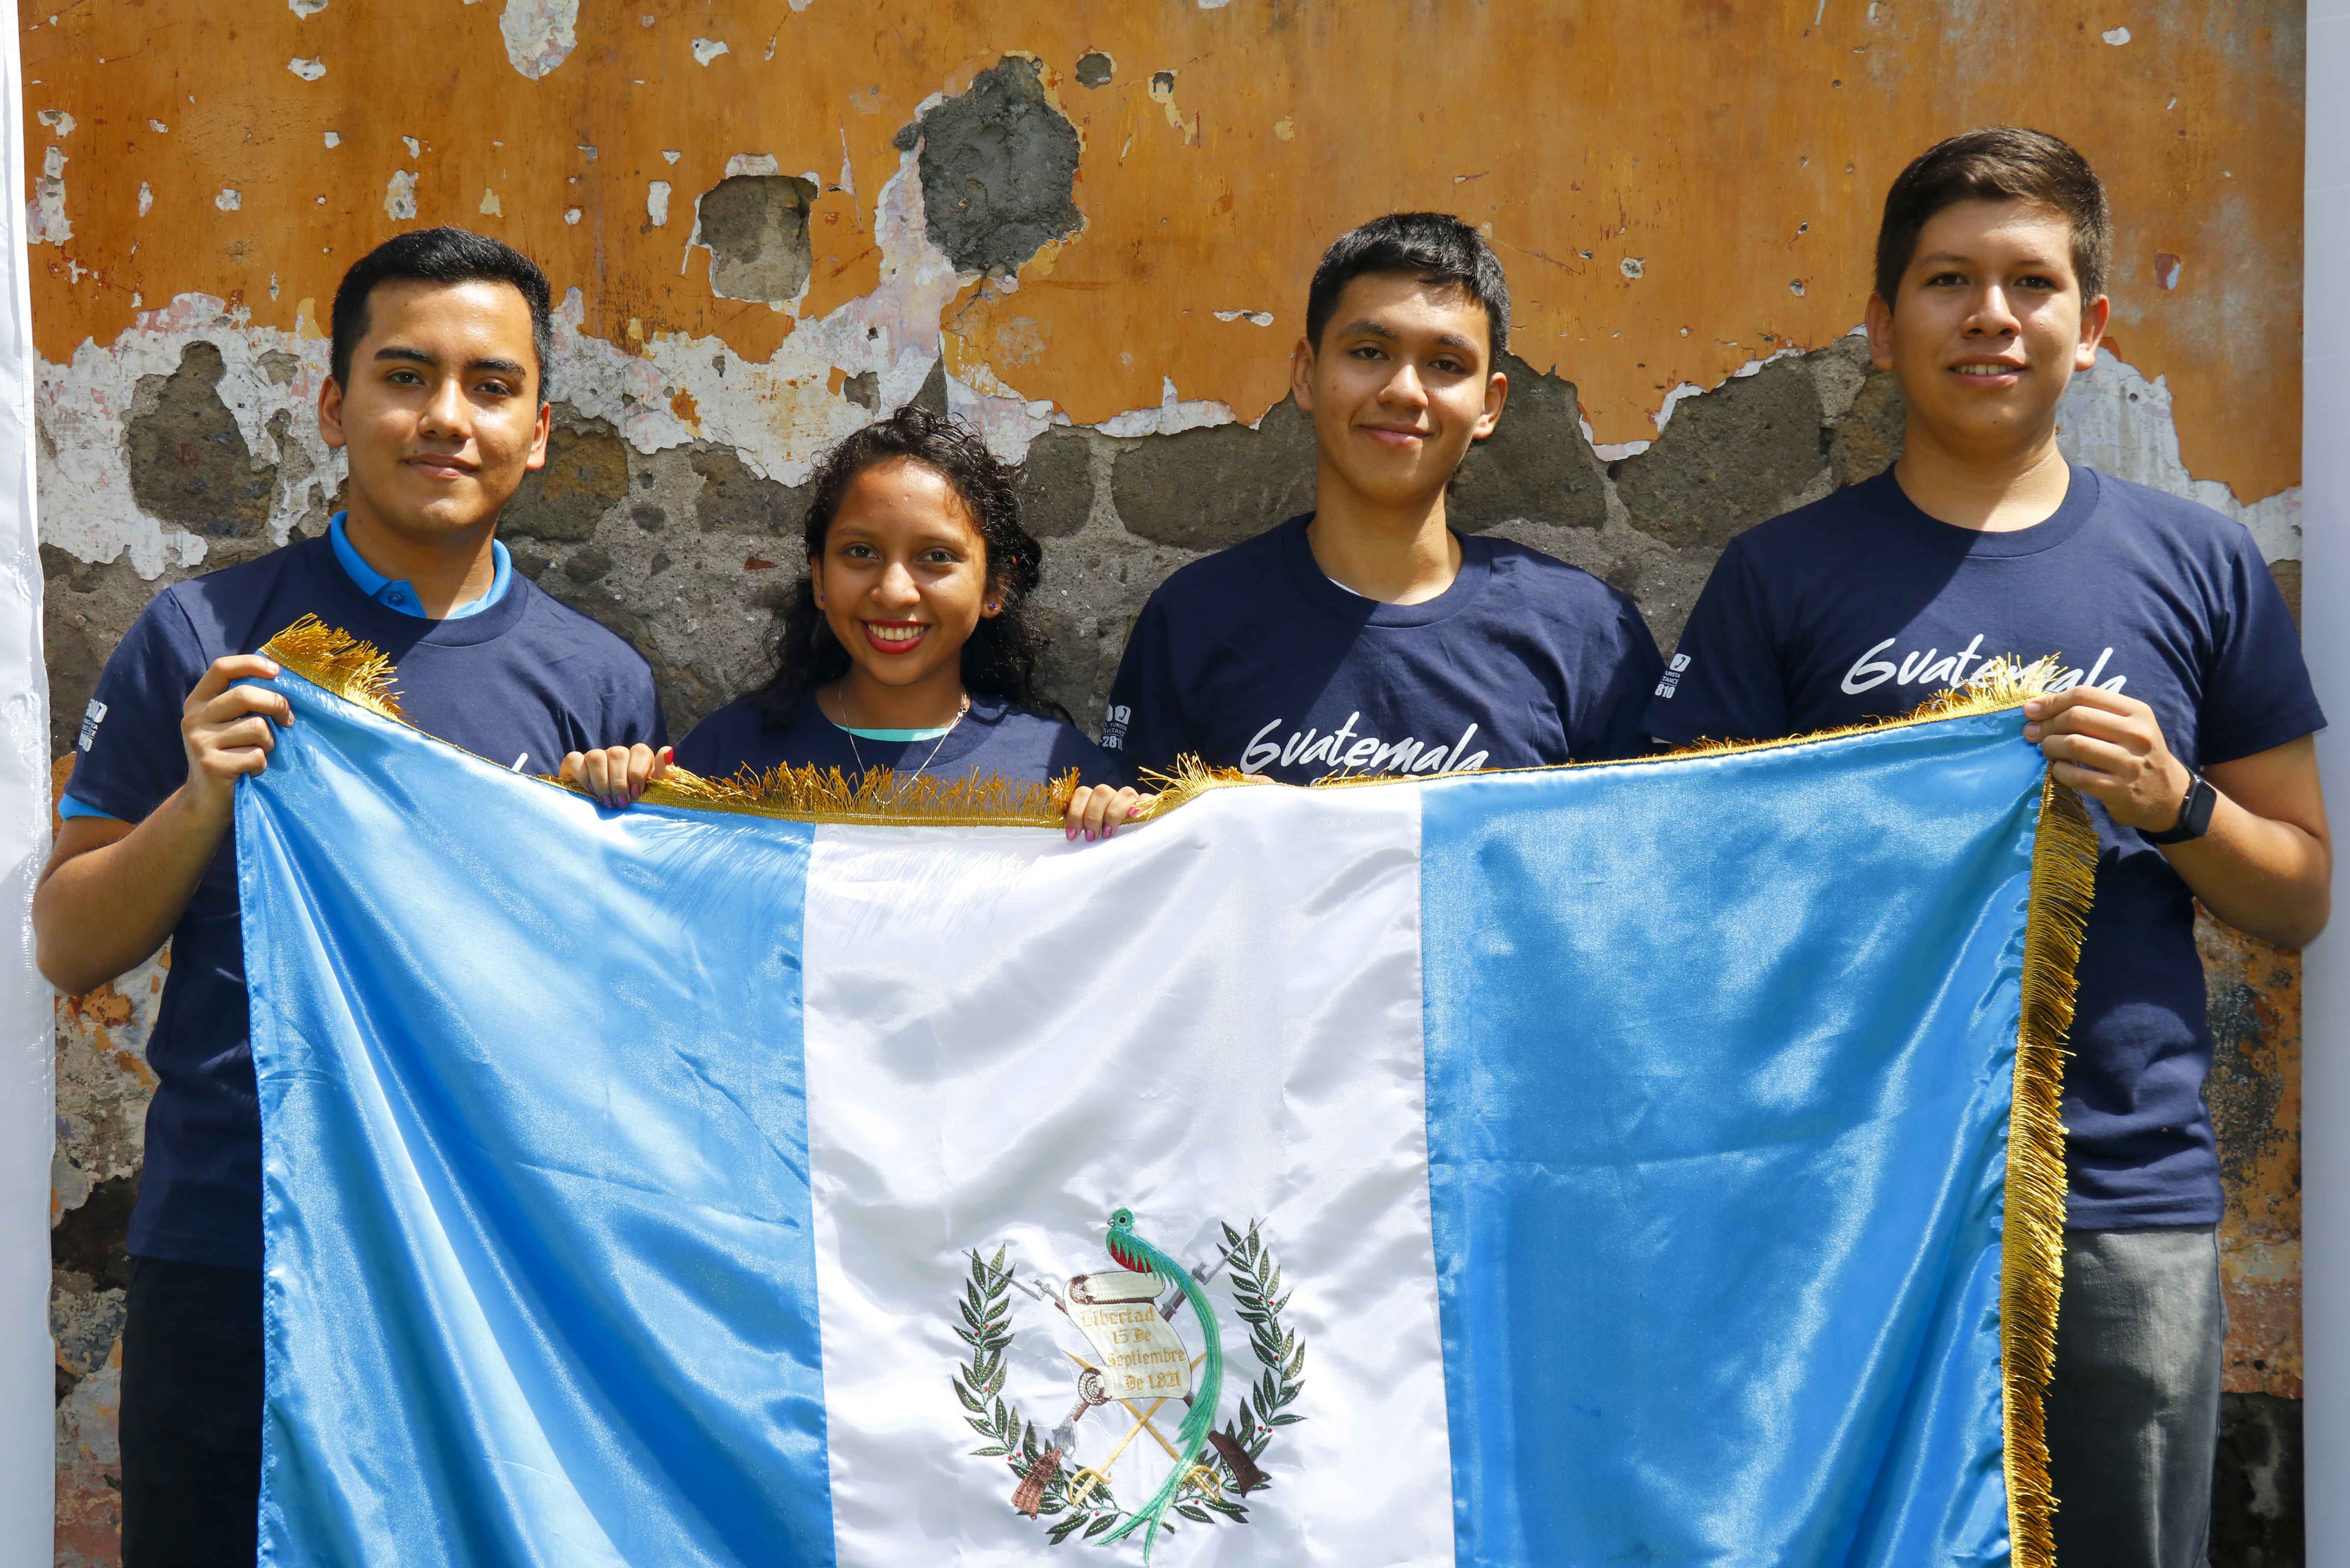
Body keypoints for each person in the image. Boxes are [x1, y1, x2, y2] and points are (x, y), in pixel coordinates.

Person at [1643, 128, 2330, 1568]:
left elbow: (2300, 895)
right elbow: (1683, 883)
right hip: (1846, 1193)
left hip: (2121, 1198)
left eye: (2033, 283)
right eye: (1949, 280)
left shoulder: (2199, 561)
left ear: (2095, 328)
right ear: (1882, 326)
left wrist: (2176, 802)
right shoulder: (1781, 577)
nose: (1992, 317)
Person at [33, 227, 666, 1566]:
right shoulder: (206, 640)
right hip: (240, 1248)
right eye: (406, 376)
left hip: (494, 1260)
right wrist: (202, 797)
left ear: (539, 433)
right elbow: (69, 942)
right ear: (334, 407)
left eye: (491, 386)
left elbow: (625, 1009)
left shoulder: (598, 683)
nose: (447, 418)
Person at [1071, 212, 1660, 835]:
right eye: (1369, 353)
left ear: (1489, 405)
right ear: (1306, 374)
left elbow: (1645, 860)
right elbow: (1145, 861)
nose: (1404, 391)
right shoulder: (1197, 619)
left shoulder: (1587, 632)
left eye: (1446, 364)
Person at [567, 406, 1132, 832]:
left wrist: (1121, 833)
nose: (894, 592)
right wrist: (595, 804)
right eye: (860, 553)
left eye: (937, 557)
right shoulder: (726, 759)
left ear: (995, 587)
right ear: (819, 577)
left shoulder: (1063, 778)